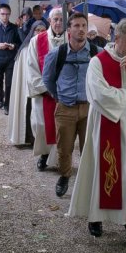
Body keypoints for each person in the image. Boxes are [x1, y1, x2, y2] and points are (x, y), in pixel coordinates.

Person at [69, 17, 126, 247]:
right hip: (109, 124)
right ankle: (96, 217)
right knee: (104, 170)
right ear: (116, 38)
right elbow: (100, 95)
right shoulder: (98, 62)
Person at [42, 12, 97, 198]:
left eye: (84, 25)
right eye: (76, 26)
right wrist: (59, 96)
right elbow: (48, 79)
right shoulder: (58, 53)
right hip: (65, 107)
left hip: (89, 109)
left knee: (89, 148)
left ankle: (87, 182)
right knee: (64, 148)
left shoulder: (96, 53)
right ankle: (64, 176)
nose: (81, 29)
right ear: (69, 30)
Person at [28, 7, 65, 171]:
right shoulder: (37, 40)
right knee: (41, 125)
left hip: (65, 95)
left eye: (62, 19)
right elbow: (32, 67)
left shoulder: (73, 40)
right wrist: (47, 88)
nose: (58, 22)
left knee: (63, 129)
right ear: (49, 21)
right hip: (44, 94)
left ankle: (60, 160)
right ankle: (44, 155)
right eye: (55, 19)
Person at [7, 20, 45, 146]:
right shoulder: (25, 50)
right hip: (27, 86)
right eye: (37, 30)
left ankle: (38, 140)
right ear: (32, 31)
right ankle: (27, 138)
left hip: (41, 86)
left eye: (43, 30)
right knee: (27, 109)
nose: (39, 33)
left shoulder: (48, 46)